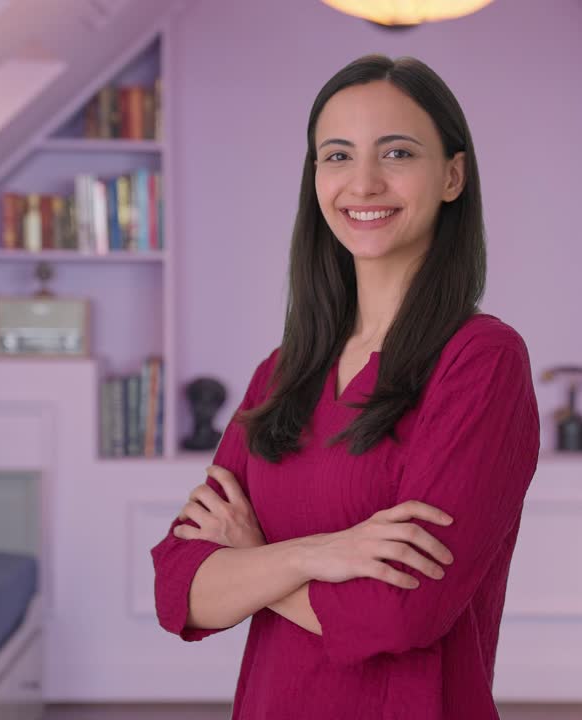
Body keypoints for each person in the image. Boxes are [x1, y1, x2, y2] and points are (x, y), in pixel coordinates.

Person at [150, 53, 540, 720]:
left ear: (452, 175)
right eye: (336, 156)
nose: (363, 183)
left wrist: (254, 565)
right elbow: (178, 588)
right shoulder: (281, 373)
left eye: (396, 153)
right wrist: (319, 555)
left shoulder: (482, 361)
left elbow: (401, 615)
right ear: (315, 178)